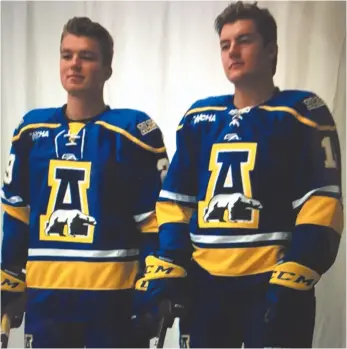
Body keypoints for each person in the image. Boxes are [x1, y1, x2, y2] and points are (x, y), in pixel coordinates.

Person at [136, 1, 344, 348]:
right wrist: (173, 260)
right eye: (225, 44)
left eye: (244, 40)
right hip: (206, 288)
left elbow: (322, 200)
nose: (233, 51)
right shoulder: (198, 118)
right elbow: (175, 200)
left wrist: (300, 266)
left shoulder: (302, 113)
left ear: (271, 50)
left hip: (272, 283)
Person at [0, 17, 169, 348]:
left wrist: (152, 292)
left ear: (107, 69)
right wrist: (9, 276)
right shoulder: (30, 131)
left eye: (87, 56)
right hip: (46, 301)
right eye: (67, 55)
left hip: (112, 303)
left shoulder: (134, 132)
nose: (74, 63)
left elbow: (154, 224)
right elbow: (17, 214)